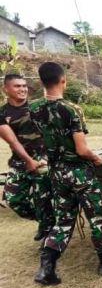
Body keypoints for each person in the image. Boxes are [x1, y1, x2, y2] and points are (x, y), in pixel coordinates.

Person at [29, 62, 102, 286]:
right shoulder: (71, 109)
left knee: (63, 220)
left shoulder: (34, 109)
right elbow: (81, 149)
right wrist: (96, 158)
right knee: (97, 216)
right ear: (63, 80)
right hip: (79, 173)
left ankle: (46, 268)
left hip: (56, 173)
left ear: (41, 81)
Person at [0, 74, 53, 241]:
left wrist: (46, 157)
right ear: (6, 89)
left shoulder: (38, 107)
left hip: (43, 159)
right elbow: (13, 141)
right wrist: (29, 161)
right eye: (17, 86)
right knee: (14, 199)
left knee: (42, 199)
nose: (22, 89)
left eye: (24, 86)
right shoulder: (2, 113)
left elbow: (52, 132)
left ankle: (47, 228)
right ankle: (45, 221)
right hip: (20, 161)